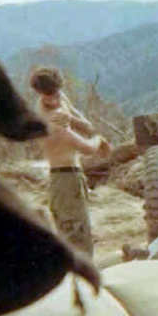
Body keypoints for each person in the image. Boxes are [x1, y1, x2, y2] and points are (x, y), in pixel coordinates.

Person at [30, 67, 111, 256]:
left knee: (82, 236)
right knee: (77, 243)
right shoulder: (50, 120)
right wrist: (99, 139)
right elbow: (88, 149)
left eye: (55, 93)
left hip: (73, 179)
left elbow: (79, 118)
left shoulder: (61, 99)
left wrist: (80, 123)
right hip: (64, 180)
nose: (53, 100)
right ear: (40, 93)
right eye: (47, 96)